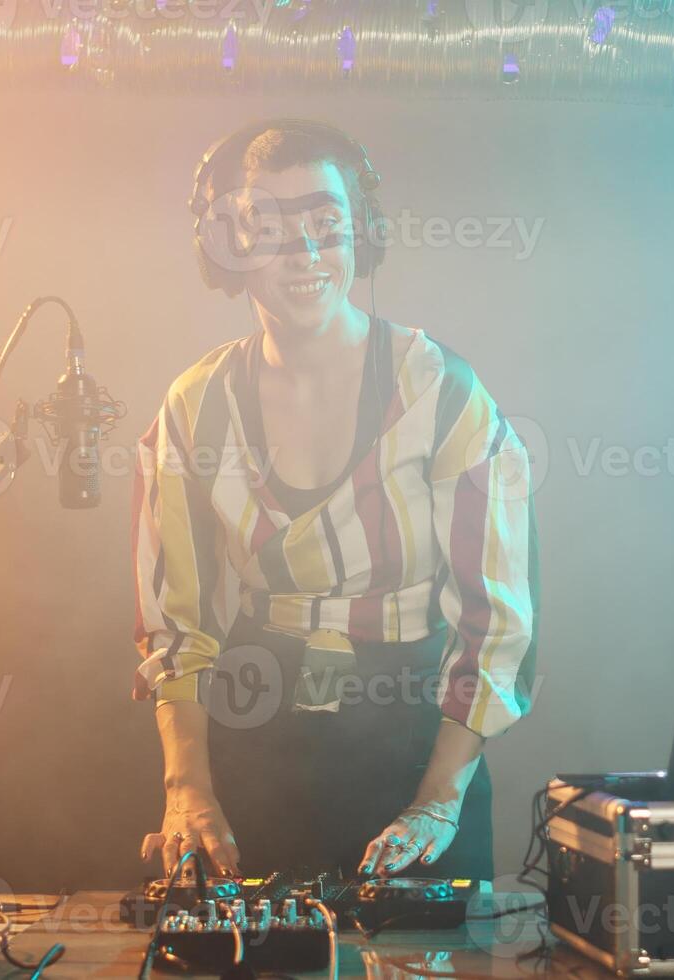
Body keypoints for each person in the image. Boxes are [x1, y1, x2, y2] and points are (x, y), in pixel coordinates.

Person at [131, 119, 539, 883]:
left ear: (363, 234)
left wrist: (436, 803)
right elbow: (176, 630)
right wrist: (188, 790)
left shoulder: (443, 393)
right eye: (270, 230)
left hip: (422, 743)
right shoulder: (192, 409)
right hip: (254, 741)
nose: (305, 255)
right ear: (225, 247)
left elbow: (497, 622)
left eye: (324, 226)